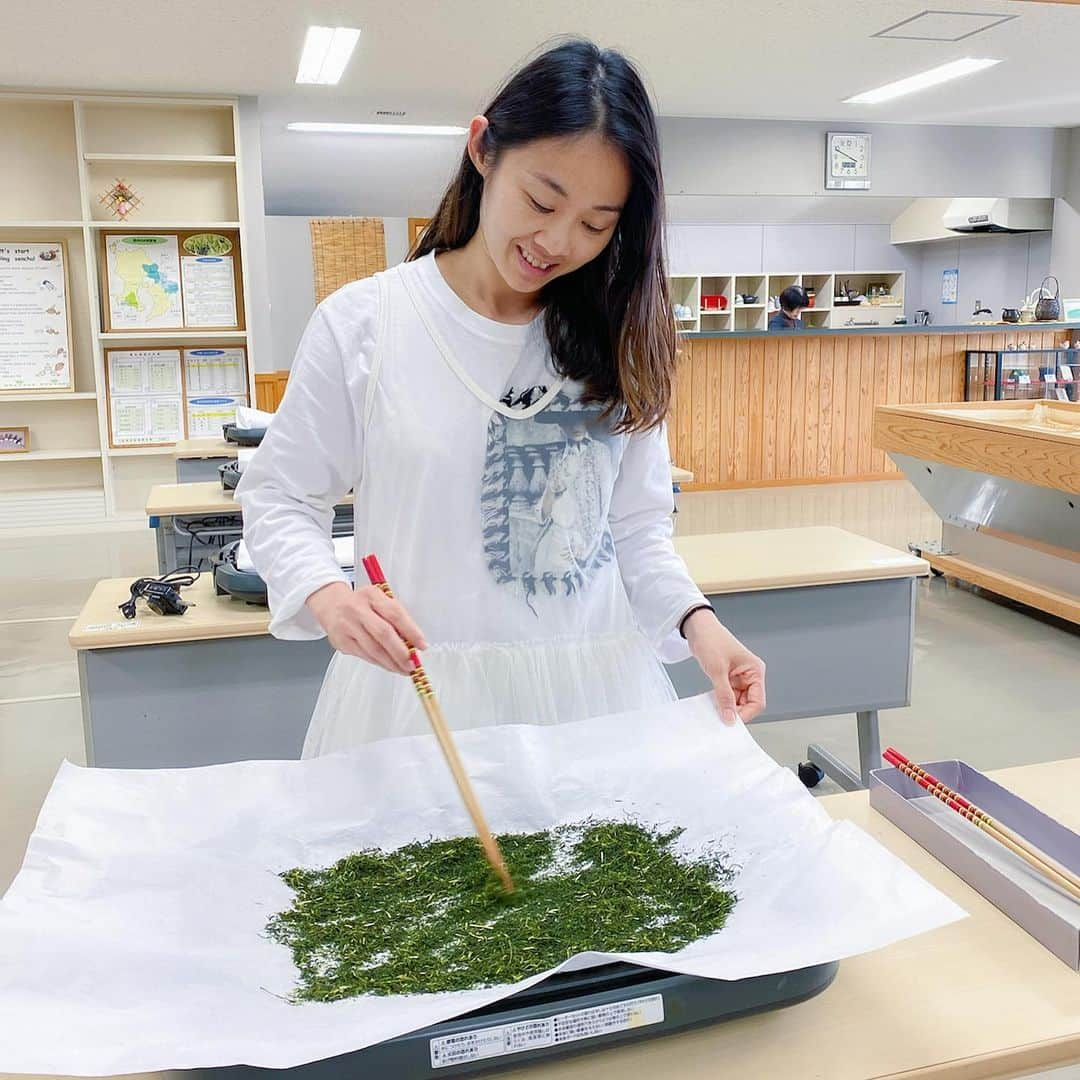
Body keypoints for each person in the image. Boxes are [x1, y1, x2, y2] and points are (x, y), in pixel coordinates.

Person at [237, 39, 766, 756]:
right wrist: (327, 598)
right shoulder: (368, 322)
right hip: (420, 703)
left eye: (594, 224)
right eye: (541, 200)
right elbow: (280, 497)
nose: (555, 241)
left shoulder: (618, 336)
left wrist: (700, 625)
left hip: (593, 696)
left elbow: (636, 528)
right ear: (483, 149)